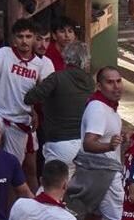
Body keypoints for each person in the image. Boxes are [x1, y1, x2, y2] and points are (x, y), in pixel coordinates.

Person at [0, 19, 55, 188]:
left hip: (19, 122)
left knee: (11, 171)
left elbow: (40, 93)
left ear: (34, 38)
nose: (24, 41)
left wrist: (33, 111)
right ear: (13, 39)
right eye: (20, 36)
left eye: (28, 36)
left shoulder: (40, 65)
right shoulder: (4, 54)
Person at [66, 66, 128, 220]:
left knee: (94, 211)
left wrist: (116, 141)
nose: (116, 86)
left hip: (100, 170)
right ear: (99, 86)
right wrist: (109, 146)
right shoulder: (98, 109)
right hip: (105, 173)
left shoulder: (105, 106)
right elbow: (89, 143)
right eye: (110, 82)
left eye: (118, 81)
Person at [26, 42, 95, 172]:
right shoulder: (89, 81)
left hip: (59, 143)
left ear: (65, 57)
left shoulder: (56, 78)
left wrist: (40, 83)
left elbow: (30, 97)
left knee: (53, 188)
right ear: (85, 60)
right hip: (83, 144)